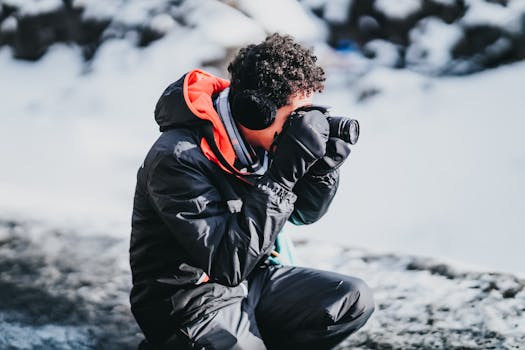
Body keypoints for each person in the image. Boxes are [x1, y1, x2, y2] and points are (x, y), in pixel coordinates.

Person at [129, 33, 374, 350]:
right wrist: (282, 177)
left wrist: (320, 169)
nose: (303, 127)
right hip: (191, 302)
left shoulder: (262, 145)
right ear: (254, 113)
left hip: (253, 281)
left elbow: (304, 213)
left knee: (351, 299)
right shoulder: (178, 158)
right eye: (295, 118)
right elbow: (226, 264)